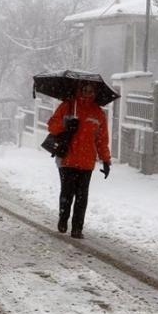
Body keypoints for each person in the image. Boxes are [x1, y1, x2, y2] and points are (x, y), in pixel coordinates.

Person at [46, 81, 111, 239]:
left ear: (95, 92)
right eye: (85, 90)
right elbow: (52, 126)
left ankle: (77, 228)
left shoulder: (98, 113)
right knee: (67, 192)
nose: (88, 93)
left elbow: (102, 140)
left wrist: (106, 160)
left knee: (82, 196)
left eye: (91, 91)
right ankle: (63, 219)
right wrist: (65, 125)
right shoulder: (68, 106)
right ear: (79, 90)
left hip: (87, 161)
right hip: (67, 158)